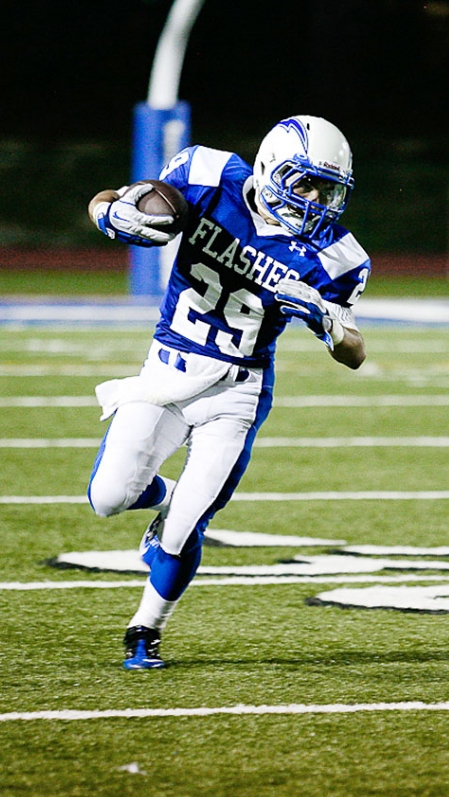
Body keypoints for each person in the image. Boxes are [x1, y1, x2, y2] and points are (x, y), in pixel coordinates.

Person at [86, 115, 371, 669]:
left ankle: (146, 628)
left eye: (329, 188)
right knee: (109, 498)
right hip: (170, 366)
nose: (318, 200)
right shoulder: (206, 172)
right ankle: (166, 497)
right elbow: (112, 200)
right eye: (305, 182)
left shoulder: (338, 256)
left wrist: (330, 323)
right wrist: (109, 214)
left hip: (239, 388)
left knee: (187, 527)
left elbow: (355, 351)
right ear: (269, 169)